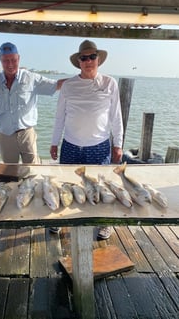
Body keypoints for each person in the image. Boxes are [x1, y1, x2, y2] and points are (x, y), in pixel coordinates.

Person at [50, 39, 123, 239]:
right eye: (84, 58)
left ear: (98, 60)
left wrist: (118, 144)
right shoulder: (69, 85)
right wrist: (54, 141)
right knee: (67, 184)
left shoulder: (110, 83)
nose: (88, 61)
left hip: (99, 146)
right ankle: (61, 219)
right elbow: (59, 116)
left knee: (101, 187)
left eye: (92, 57)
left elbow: (116, 116)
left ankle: (103, 222)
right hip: (71, 145)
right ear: (79, 62)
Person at [0, 42, 64, 164]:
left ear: (18, 58)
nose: (10, 64)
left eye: (13, 60)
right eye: (6, 60)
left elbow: (57, 85)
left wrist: (81, 79)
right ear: (0, 60)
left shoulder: (31, 78)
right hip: (5, 135)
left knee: (32, 171)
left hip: (27, 133)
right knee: (9, 173)